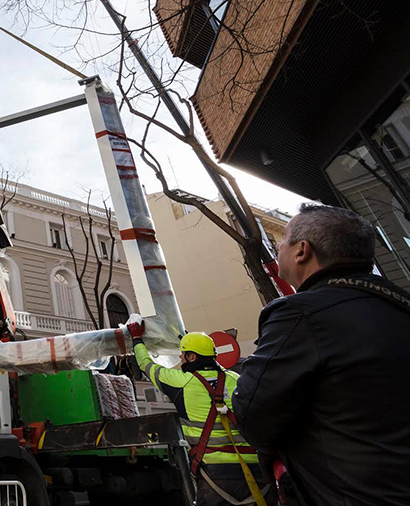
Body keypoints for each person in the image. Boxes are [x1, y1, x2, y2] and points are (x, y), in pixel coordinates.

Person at [234, 204, 410, 505]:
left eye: (282, 240)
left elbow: (254, 417)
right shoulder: (400, 304)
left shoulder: (299, 315)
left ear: (302, 251)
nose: (277, 248)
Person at [127, 318, 275, 505]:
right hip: (257, 469)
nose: (180, 359)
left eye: (183, 355)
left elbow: (146, 365)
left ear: (192, 357)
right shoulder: (235, 378)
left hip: (216, 474)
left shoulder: (180, 381)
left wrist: (137, 339)